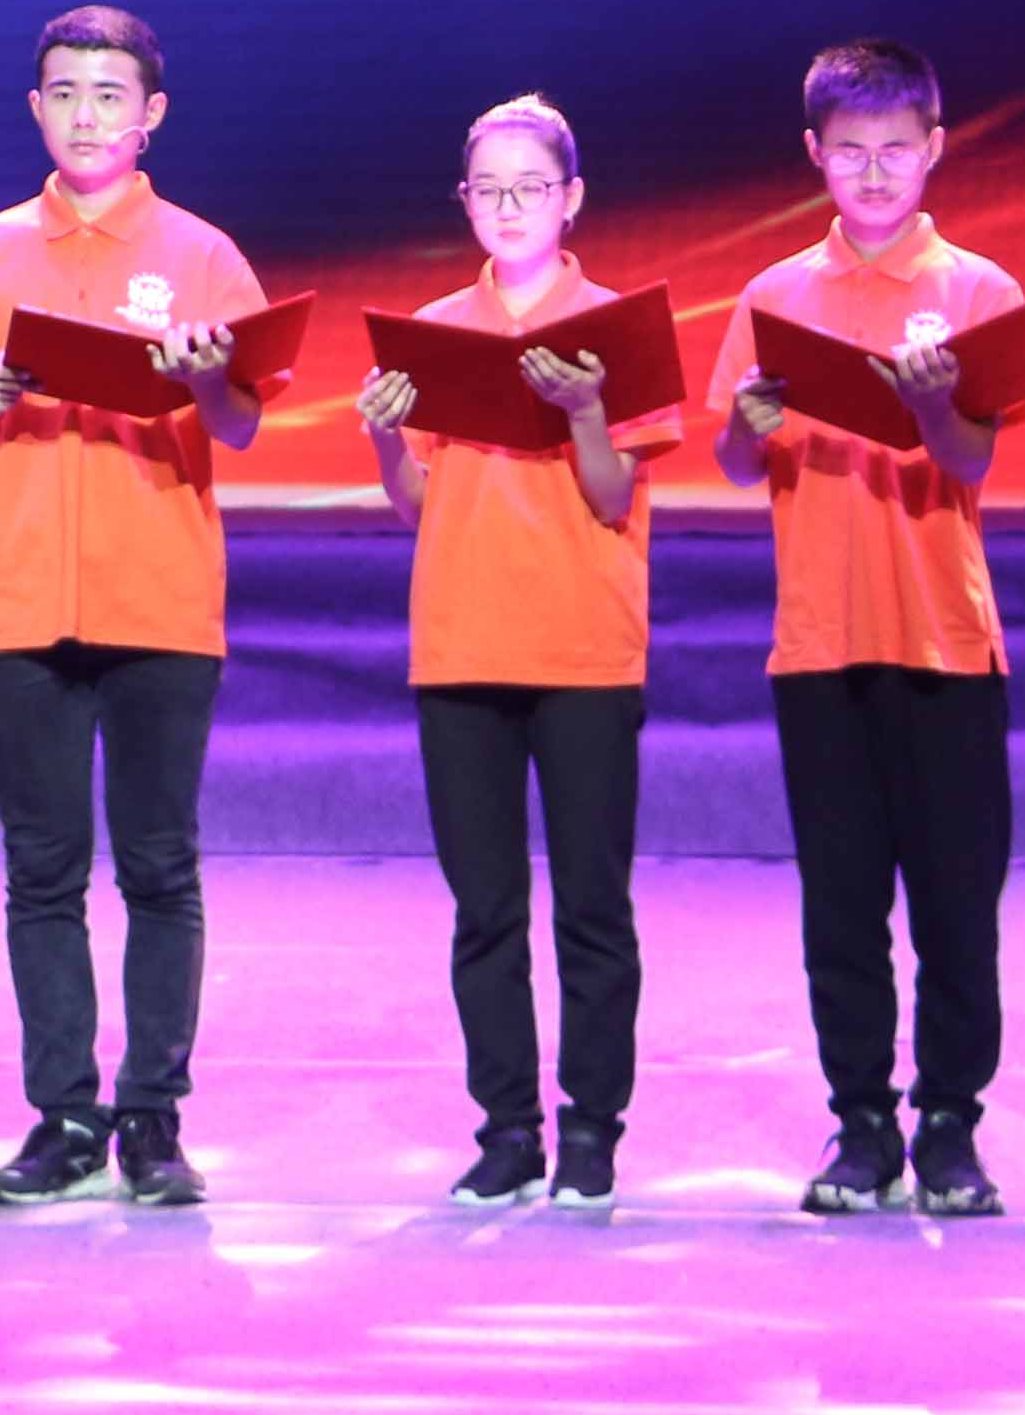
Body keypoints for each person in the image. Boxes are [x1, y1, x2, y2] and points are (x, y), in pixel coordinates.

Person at [0, 5, 267, 1213]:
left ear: (150, 112)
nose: (85, 114)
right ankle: (61, 1113)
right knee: (41, 872)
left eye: (109, 94)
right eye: (63, 92)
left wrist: (207, 376)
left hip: (158, 598)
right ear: (34, 108)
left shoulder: (202, 253)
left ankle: (151, 1116)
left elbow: (240, 421)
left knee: (158, 867)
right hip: (18, 604)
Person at [709, 36, 1025, 1220]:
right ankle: (859, 1124)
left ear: (933, 147)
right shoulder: (771, 296)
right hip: (819, 641)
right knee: (840, 905)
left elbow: (971, 458)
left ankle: (948, 1124)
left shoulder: (979, 291)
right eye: (849, 151)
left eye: (895, 149)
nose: (874, 171)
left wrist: (934, 401)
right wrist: (746, 423)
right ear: (814, 154)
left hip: (945, 638)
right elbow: (733, 459)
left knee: (955, 903)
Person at [351, 93, 677, 1216]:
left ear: (570, 197)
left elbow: (613, 496)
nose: (507, 206)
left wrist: (585, 410)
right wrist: (383, 434)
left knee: (591, 905)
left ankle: (590, 1130)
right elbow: (417, 503)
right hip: (461, 645)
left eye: (528, 187)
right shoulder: (437, 329)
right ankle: (506, 1131)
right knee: (483, 910)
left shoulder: (617, 327)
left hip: (583, 646)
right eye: (486, 189)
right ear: (463, 199)